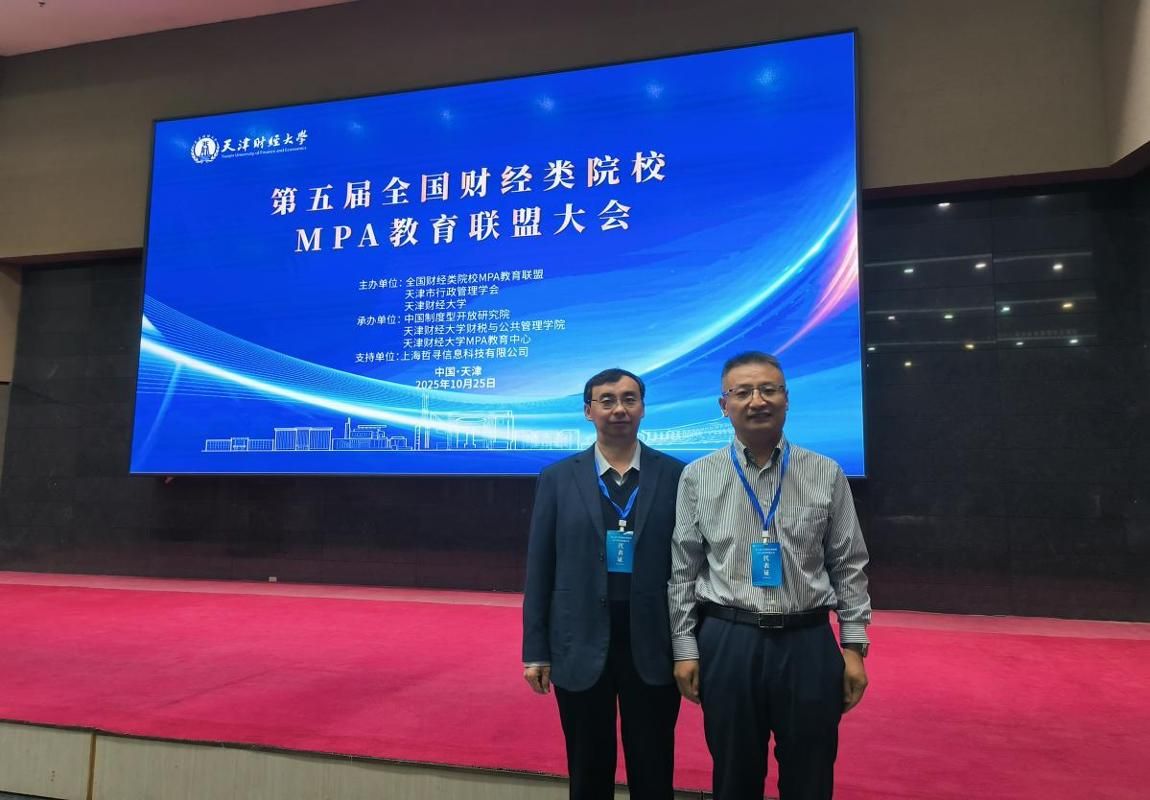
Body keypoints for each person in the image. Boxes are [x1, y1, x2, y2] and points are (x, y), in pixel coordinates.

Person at [668, 351, 871, 800]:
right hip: (728, 640)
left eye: (768, 390)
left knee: (810, 776)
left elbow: (848, 565)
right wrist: (685, 649)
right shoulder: (697, 477)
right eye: (742, 392)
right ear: (724, 405)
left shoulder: (825, 473)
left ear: (787, 398)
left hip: (807, 642)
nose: (757, 400)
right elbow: (683, 570)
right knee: (734, 777)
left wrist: (854, 647)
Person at [523, 368, 685, 800]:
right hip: (578, 641)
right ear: (588, 411)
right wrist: (536, 650)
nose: (619, 409)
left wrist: (691, 647)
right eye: (607, 400)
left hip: (653, 642)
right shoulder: (557, 478)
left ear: (643, 408)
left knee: (654, 768)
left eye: (630, 399)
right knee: (587, 770)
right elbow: (540, 567)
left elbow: (690, 567)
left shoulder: (677, 475)